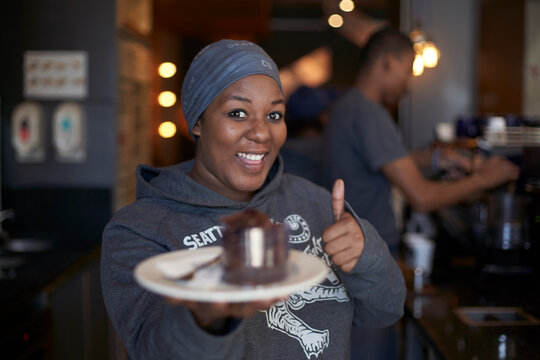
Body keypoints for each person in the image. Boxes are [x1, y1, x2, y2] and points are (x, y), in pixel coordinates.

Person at [101, 39, 406, 360]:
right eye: (238, 113)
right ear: (197, 122)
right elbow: (152, 351)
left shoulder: (316, 203)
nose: (261, 133)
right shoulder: (139, 230)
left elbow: (386, 310)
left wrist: (366, 254)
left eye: (274, 115)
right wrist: (207, 314)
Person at [322, 27, 520, 360]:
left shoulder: (349, 106)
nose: (409, 83)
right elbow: (423, 197)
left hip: (351, 259)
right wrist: (483, 179)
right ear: (387, 61)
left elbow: (389, 159)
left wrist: (440, 157)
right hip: (364, 263)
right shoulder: (370, 114)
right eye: (407, 69)